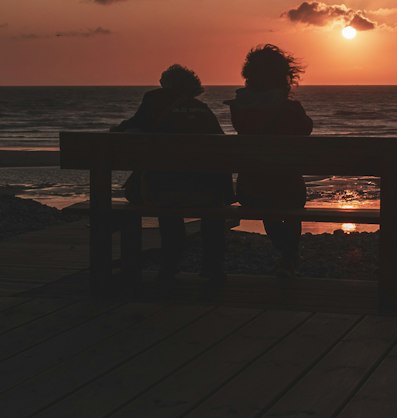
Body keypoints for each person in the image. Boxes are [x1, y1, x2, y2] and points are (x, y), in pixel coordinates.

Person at [111, 64, 232, 286]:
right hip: (206, 194)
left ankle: (169, 266)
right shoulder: (203, 110)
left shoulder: (153, 101)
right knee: (213, 211)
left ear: (165, 84)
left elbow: (133, 127)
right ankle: (213, 267)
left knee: (165, 196)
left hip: (163, 192)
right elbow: (223, 150)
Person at [227, 44, 313, 276]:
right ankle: (290, 255)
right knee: (289, 201)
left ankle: (288, 255)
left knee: (267, 201)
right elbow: (306, 130)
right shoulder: (291, 109)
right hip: (287, 187)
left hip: (251, 189)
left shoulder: (239, 108)